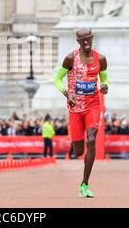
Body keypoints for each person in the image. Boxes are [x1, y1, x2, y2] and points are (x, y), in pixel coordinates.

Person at [54, 28, 108, 198]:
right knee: (78, 151)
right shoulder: (70, 58)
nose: (86, 42)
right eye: (82, 40)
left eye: (88, 39)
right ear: (77, 41)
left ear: (92, 38)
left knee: (91, 140)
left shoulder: (101, 59)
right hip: (75, 107)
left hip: (93, 104)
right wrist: (66, 92)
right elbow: (57, 78)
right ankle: (76, 146)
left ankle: (84, 184)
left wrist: (105, 86)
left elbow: (104, 79)